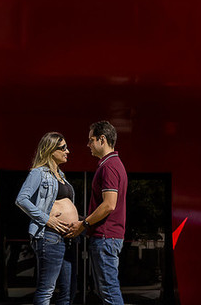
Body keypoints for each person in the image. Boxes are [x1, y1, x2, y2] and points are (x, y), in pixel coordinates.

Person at [67, 120, 128, 305]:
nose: (88, 145)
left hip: (105, 238)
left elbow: (109, 205)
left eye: (90, 140)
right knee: (107, 291)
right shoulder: (114, 164)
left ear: (102, 139)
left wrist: (83, 224)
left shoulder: (109, 167)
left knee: (109, 293)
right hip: (108, 237)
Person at [15, 132, 78, 305]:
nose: (68, 151)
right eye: (63, 148)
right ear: (51, 150)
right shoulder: (39, 173)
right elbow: (21, 199)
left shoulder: (61, 176)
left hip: (68, 238)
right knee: (46, 290)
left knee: (69, 290)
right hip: (50, 236)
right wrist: (46, 219)